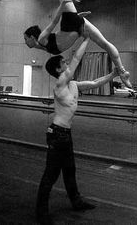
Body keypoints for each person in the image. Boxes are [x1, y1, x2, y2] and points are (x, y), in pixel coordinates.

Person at [36, 36, 118, 225]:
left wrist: (113, 75)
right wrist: (86, 37)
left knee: (70, 170)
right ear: (58, 70)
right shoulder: (60, 85)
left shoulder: (73, 85)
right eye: (63, 62)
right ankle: (41, 213)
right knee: (51, 175)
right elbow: (76, 59)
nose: (67, 64)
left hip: (66, 135)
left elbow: (95, 83)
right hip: (56, 134)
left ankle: (76, 201)